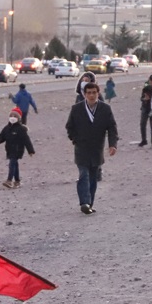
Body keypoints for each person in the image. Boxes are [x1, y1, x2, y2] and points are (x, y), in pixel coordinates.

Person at [65, 81, 117, 215]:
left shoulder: (105, 109)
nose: (92, 95)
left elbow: (111, 128)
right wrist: (75, 139)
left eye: (94, 92)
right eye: (89, 93)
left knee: (93, 178)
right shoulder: (76, 109)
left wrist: (112, 145)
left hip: (97, 148)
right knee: (84, 175)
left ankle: (90, 203)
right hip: (81, 148)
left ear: (98, 93)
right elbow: (69, 126)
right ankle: (84, 202)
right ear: (84, 94)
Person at [0, 107, 35, 188]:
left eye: (15, 116)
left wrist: (30, 151)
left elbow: (27, 140)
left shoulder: (21, 129)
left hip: (17, 149)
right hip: (9, 149)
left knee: (12, 163)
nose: (12, 117)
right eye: (11, 116)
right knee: (15, 164)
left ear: (18, 118)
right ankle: (17, 181)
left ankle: (9, 180)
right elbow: (2, 136)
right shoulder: (7, 128)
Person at [138, 74, 152, 146]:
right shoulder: (145, 88)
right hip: (145, 108)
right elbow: (141, 98)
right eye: (151, 81)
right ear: (149, 81)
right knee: (142, 124)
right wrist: (145, 99)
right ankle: (144, 140)